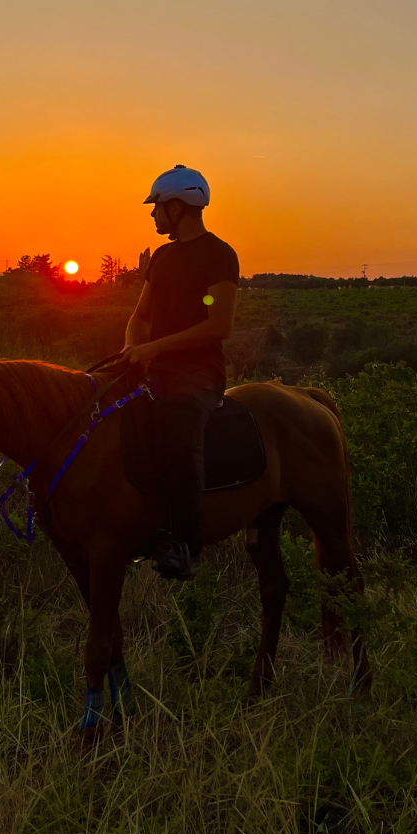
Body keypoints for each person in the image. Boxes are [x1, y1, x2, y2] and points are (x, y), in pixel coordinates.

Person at [121, 165, 239, 578]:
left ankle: (185, 544)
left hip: (199, 371)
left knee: (179, 423)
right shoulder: (162, 257)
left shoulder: (219, 255)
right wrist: (130, 349)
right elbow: (139, 316)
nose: (153, 215)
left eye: (157, 207)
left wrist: (155, 347)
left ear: (177, 207)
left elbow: (218, 325)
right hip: (155, 363)